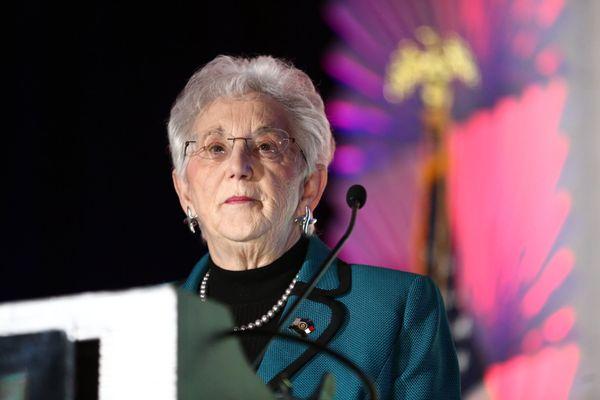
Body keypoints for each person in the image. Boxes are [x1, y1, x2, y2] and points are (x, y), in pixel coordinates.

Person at [169, 55, 460, 399]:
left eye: (265, 146)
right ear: (185, 190)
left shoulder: (392, 309)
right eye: (215, 148)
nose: (238, 166)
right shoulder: (140, 328)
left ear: (310, 185)